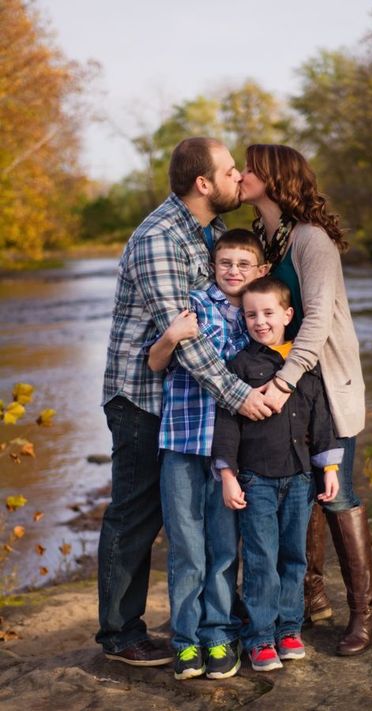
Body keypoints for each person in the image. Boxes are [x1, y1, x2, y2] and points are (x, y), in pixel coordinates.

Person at [98, 137, 273, 665]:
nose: (237, 176)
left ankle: (218, 617)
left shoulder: (212, 233)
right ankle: (120, 634)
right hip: (143, 398)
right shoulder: (159, 238)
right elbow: (188, 340)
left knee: (213, 514)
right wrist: (241, 396)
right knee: (136, 512)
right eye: (228, 170)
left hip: (193, 405)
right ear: (203, 184)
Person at [240, 144, 372, 656]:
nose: (241, 174)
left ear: (275, 179)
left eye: (250, 168)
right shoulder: (267, 239)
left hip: (323, 384)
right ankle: (310, 594)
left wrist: (281, 382)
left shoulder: (311, 240)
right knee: (298, 490)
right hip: (292, 386)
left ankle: (366, 613)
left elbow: (317, 320)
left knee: (337, 494)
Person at [146, 229, 269, 680]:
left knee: (222, 546)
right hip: (181, 442)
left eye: (243, 264)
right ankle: (185, 640)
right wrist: (173, 335)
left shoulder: (259, 319)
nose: (233, 271)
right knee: (185, 546)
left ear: (259, 270)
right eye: (225, 263)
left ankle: (218, 634)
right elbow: (155, 362)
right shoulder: (193, 304)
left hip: (229, 453)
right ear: (212, 265)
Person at [212, 276, 343, 671]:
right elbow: (226, 423)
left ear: (288, 314)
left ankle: (289, 629)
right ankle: (261, 638)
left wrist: (330, 468)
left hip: (301, 478)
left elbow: (321, 420)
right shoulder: (239, 365)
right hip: (257, 479)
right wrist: (228, 475)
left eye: (268, 313)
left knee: (294, 557)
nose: (260, 321)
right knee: (260, 558)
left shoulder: (303, 363)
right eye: (251, 314)